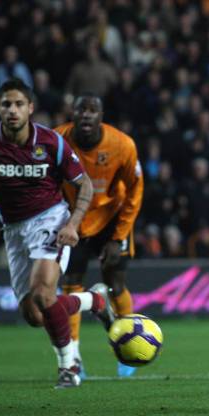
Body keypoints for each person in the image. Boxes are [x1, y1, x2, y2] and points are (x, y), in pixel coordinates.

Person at [0, 78, 114, 389]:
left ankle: (68, 367)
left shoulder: (51, 143)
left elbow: (83, 184)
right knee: (34, 314)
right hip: (14, 229)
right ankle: (94, 301)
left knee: (43, 294)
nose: (12, 111)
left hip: (50, 219)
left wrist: (72, 224)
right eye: (6, 104)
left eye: (18, 104)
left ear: (30, 108)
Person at [55, 95, 143, 377]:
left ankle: (129, 350)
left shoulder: (122, 145)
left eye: (93, 110)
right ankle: (73, 357)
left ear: (101, 115)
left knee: (115, 282)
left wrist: (118, 237)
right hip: (75, 219)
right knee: (71, 285)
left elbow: (135, 191)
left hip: (111, 217)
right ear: (74, 113)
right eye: (81, 110)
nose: (86, 115)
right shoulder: (57, 139)